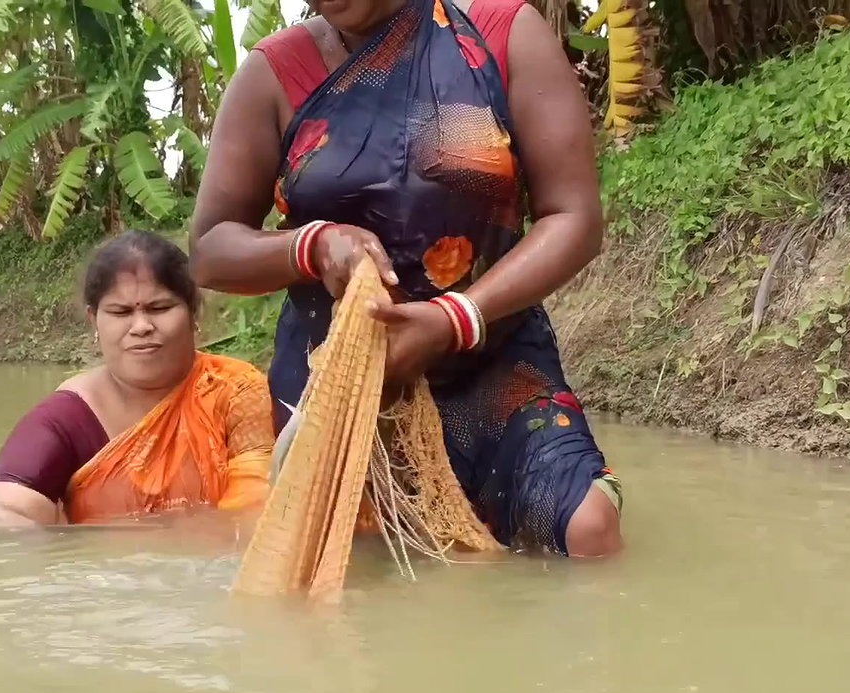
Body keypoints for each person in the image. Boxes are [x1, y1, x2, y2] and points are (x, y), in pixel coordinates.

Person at [189, 0, 623, 557]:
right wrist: (313, 244)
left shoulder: (498, 35)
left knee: (588, 530)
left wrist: (454, 318)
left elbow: (574, 218)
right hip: (338, 383)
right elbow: (210, 247)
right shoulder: (274, 73)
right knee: (337, 571)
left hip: (490, 359)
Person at [0, 230, 275, 526]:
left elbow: (252, 508)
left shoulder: (233, 390)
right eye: (120, 312)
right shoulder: (66, 420)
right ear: (94, 320)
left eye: (159, 308)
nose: (141, 326)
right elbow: (8, 513)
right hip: (103, 574)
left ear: (193, 312)